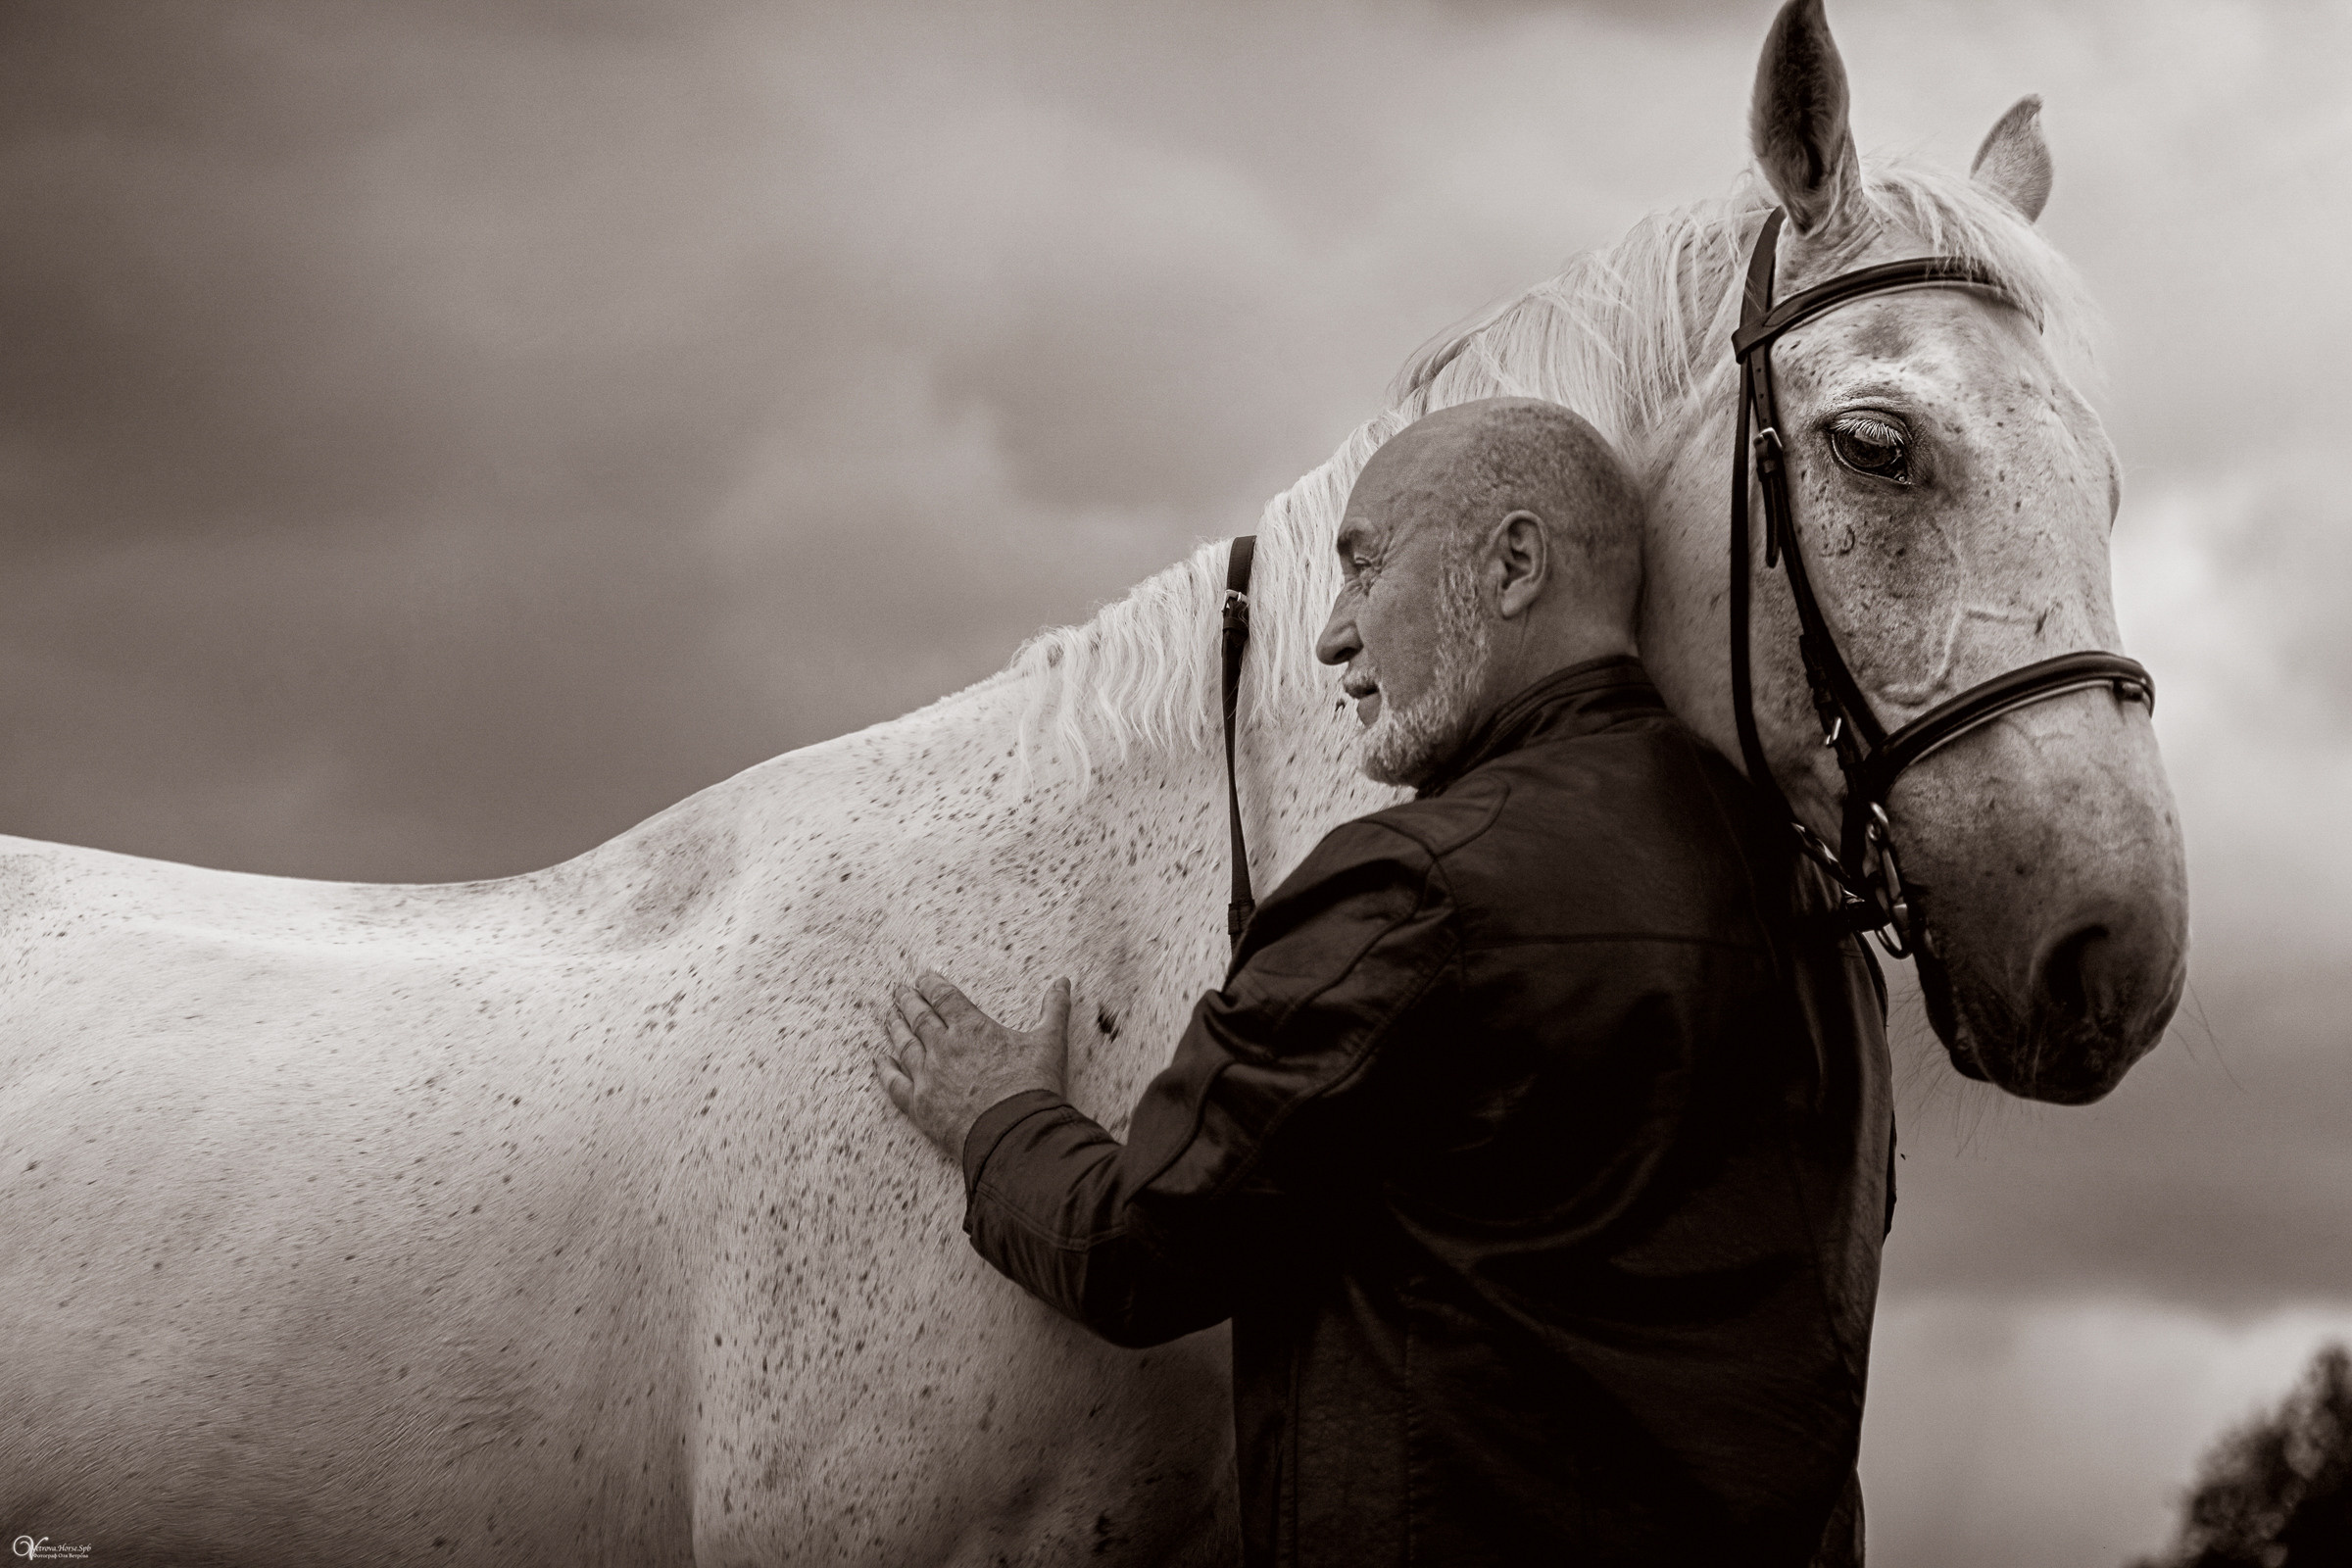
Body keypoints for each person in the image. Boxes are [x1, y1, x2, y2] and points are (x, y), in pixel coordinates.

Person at [878, 397, 1892, 1567]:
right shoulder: (1822, 921)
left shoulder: (1414, 887)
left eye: (1366, 567)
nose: (1331, 634)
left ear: (1515, 564)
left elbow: (1140, 1250)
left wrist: (995, 1119)